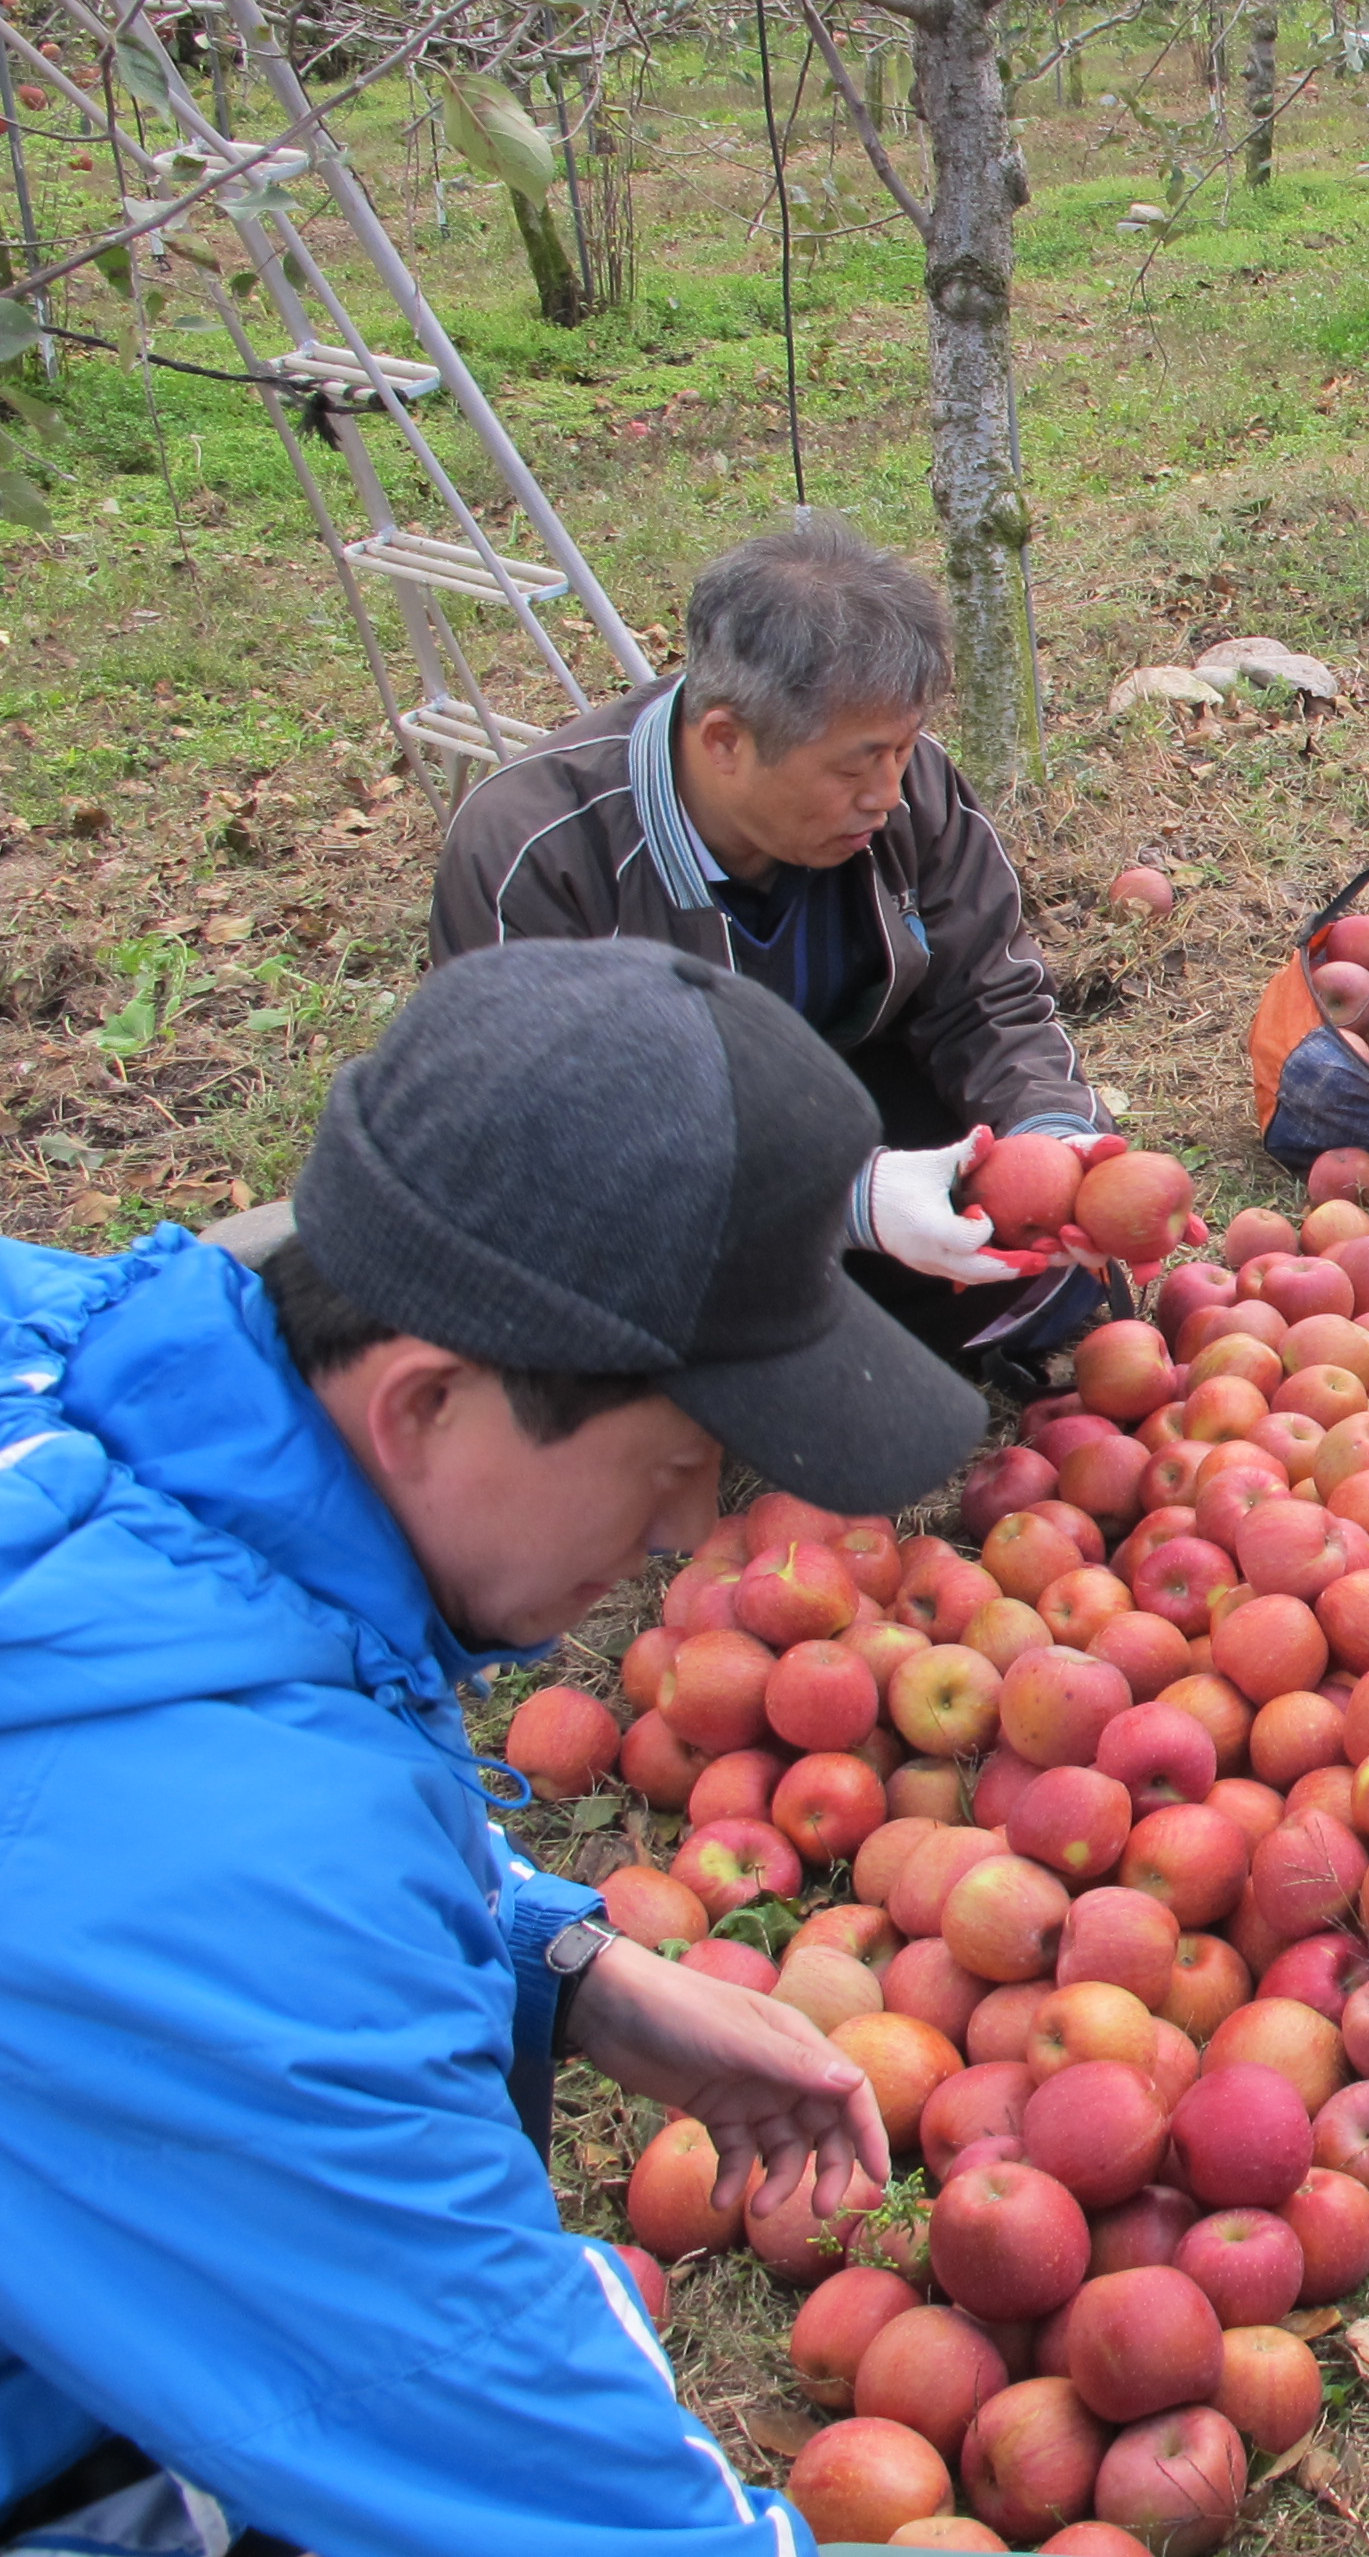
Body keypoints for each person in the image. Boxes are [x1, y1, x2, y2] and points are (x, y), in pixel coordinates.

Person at [0, 938, 984, 2557]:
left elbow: (169, 1734)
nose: (686, 1538)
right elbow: (558, 2509)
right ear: (422, 1406)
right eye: (672, 1465)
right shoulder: (259, 1903)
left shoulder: (82, 1348)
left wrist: (556, 1960)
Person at [432, 511, 1102, 1369]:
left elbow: (988, 998)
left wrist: (1052, 1137)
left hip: (837, 1096)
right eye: (856, 765)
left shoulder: (909, 787)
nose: (889, 795)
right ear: (724, 741)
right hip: (654, 1158)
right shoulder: (541, 854)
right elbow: (545, 1140)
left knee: (1025, 1259)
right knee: (619, 1332)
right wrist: (841, 1199)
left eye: (902, 750)